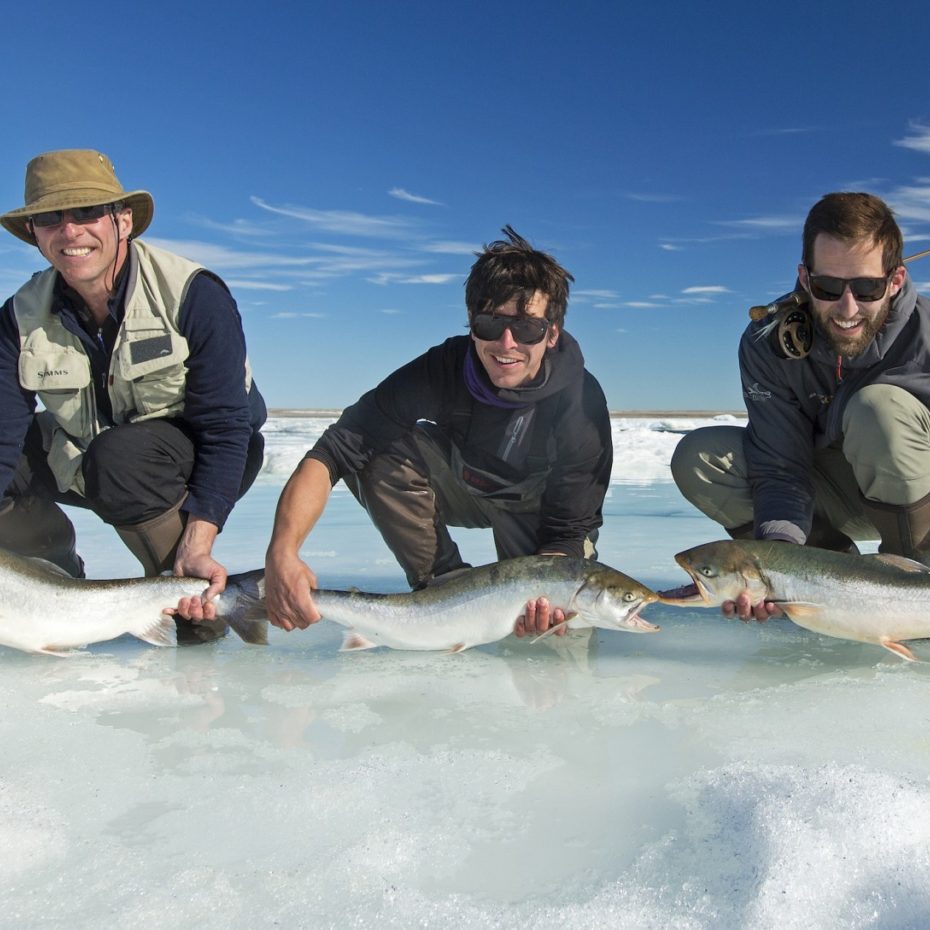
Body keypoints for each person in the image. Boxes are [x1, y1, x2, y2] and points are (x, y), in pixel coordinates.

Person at [254, 226, 612, 636]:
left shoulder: (581, 402)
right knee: (372, 449)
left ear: (551, 333)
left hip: (540, 514)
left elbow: (567, 531)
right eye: (490, 323)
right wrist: (282, 553)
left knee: (557, 644)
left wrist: (549, 602)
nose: (507, 343)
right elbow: (332, 452)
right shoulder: (442, 368)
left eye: (527, 327)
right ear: (471, 325)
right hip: (468, 486)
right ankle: (441, 591)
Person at [0, 149, 266, 640]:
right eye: (49, 218)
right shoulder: (18, 316)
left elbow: (227, 427)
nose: (70, 231)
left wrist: (200, 536)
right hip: (88, 454)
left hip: (205, 455)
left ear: (122, 220)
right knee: (64, 462)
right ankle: (57, 582)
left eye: (86, 213)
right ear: (34, 234)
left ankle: (193, 611)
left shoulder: (193, 293)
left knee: (120, 458)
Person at [671, 191, 927, 619]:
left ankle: (915, 589)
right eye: (828, 287)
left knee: (878, 408)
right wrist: (773, 565)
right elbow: (780, 466)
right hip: (832, 493)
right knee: (701, 459)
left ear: (895, 280)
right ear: (806, 279)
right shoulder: (766, 343)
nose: (847, 309)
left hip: (920, 496)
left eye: (867, 288)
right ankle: (822, 579)